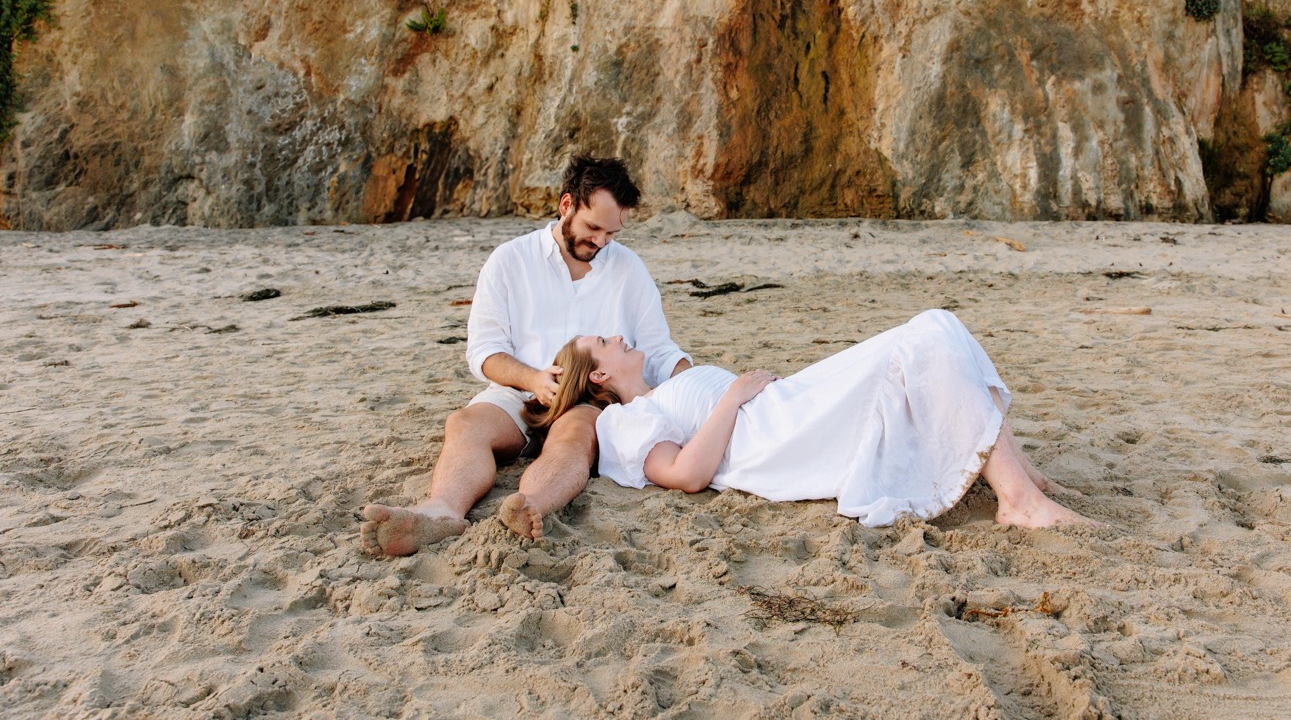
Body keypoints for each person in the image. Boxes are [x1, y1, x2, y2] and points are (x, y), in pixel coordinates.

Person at [360, 155, 691, 555]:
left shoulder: (629, 270)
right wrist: (534, 379)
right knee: (466, 423)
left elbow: (658, 350)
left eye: (612, 232)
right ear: (566, 205)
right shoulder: (510, 260)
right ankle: (440, 512)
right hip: (520, 392)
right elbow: (484, 352)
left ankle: (530, 505)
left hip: (587, 400)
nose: (602, 242)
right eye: (593, 227)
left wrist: (700, 383)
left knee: (574, 439)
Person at [530, 309, 1091, 529]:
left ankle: (1021, 476)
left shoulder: (669, 382)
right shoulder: (626, 421)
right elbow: (685, 475)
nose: (620, 337)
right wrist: (733, 397)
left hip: (786, 403)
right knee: (925, 339)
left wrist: (742, 392)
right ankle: (1020, 502)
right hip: (774, 434)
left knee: (941, 329)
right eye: (604, 342)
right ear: (598, 377)